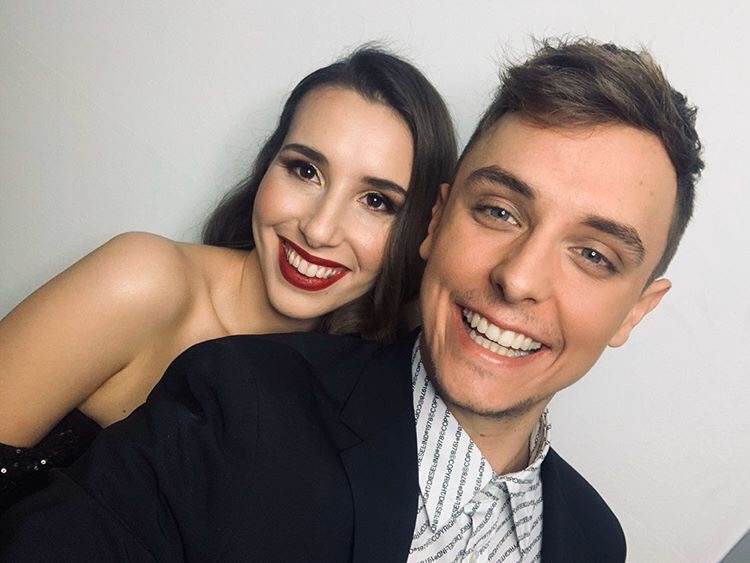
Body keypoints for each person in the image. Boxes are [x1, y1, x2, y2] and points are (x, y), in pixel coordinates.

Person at [0, 38, 703, 562]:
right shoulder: (218, 368)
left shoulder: (595, 540)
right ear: (439, 223)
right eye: (499, 211)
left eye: (594, 255)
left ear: (638, 309)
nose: (320, 228)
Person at [0, 46, 457, 511]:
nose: (319, 230)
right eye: (305, 171)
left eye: (376, 201)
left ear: (421, 230)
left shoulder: (366, 380)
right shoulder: (142, 280)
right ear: (267, 165)